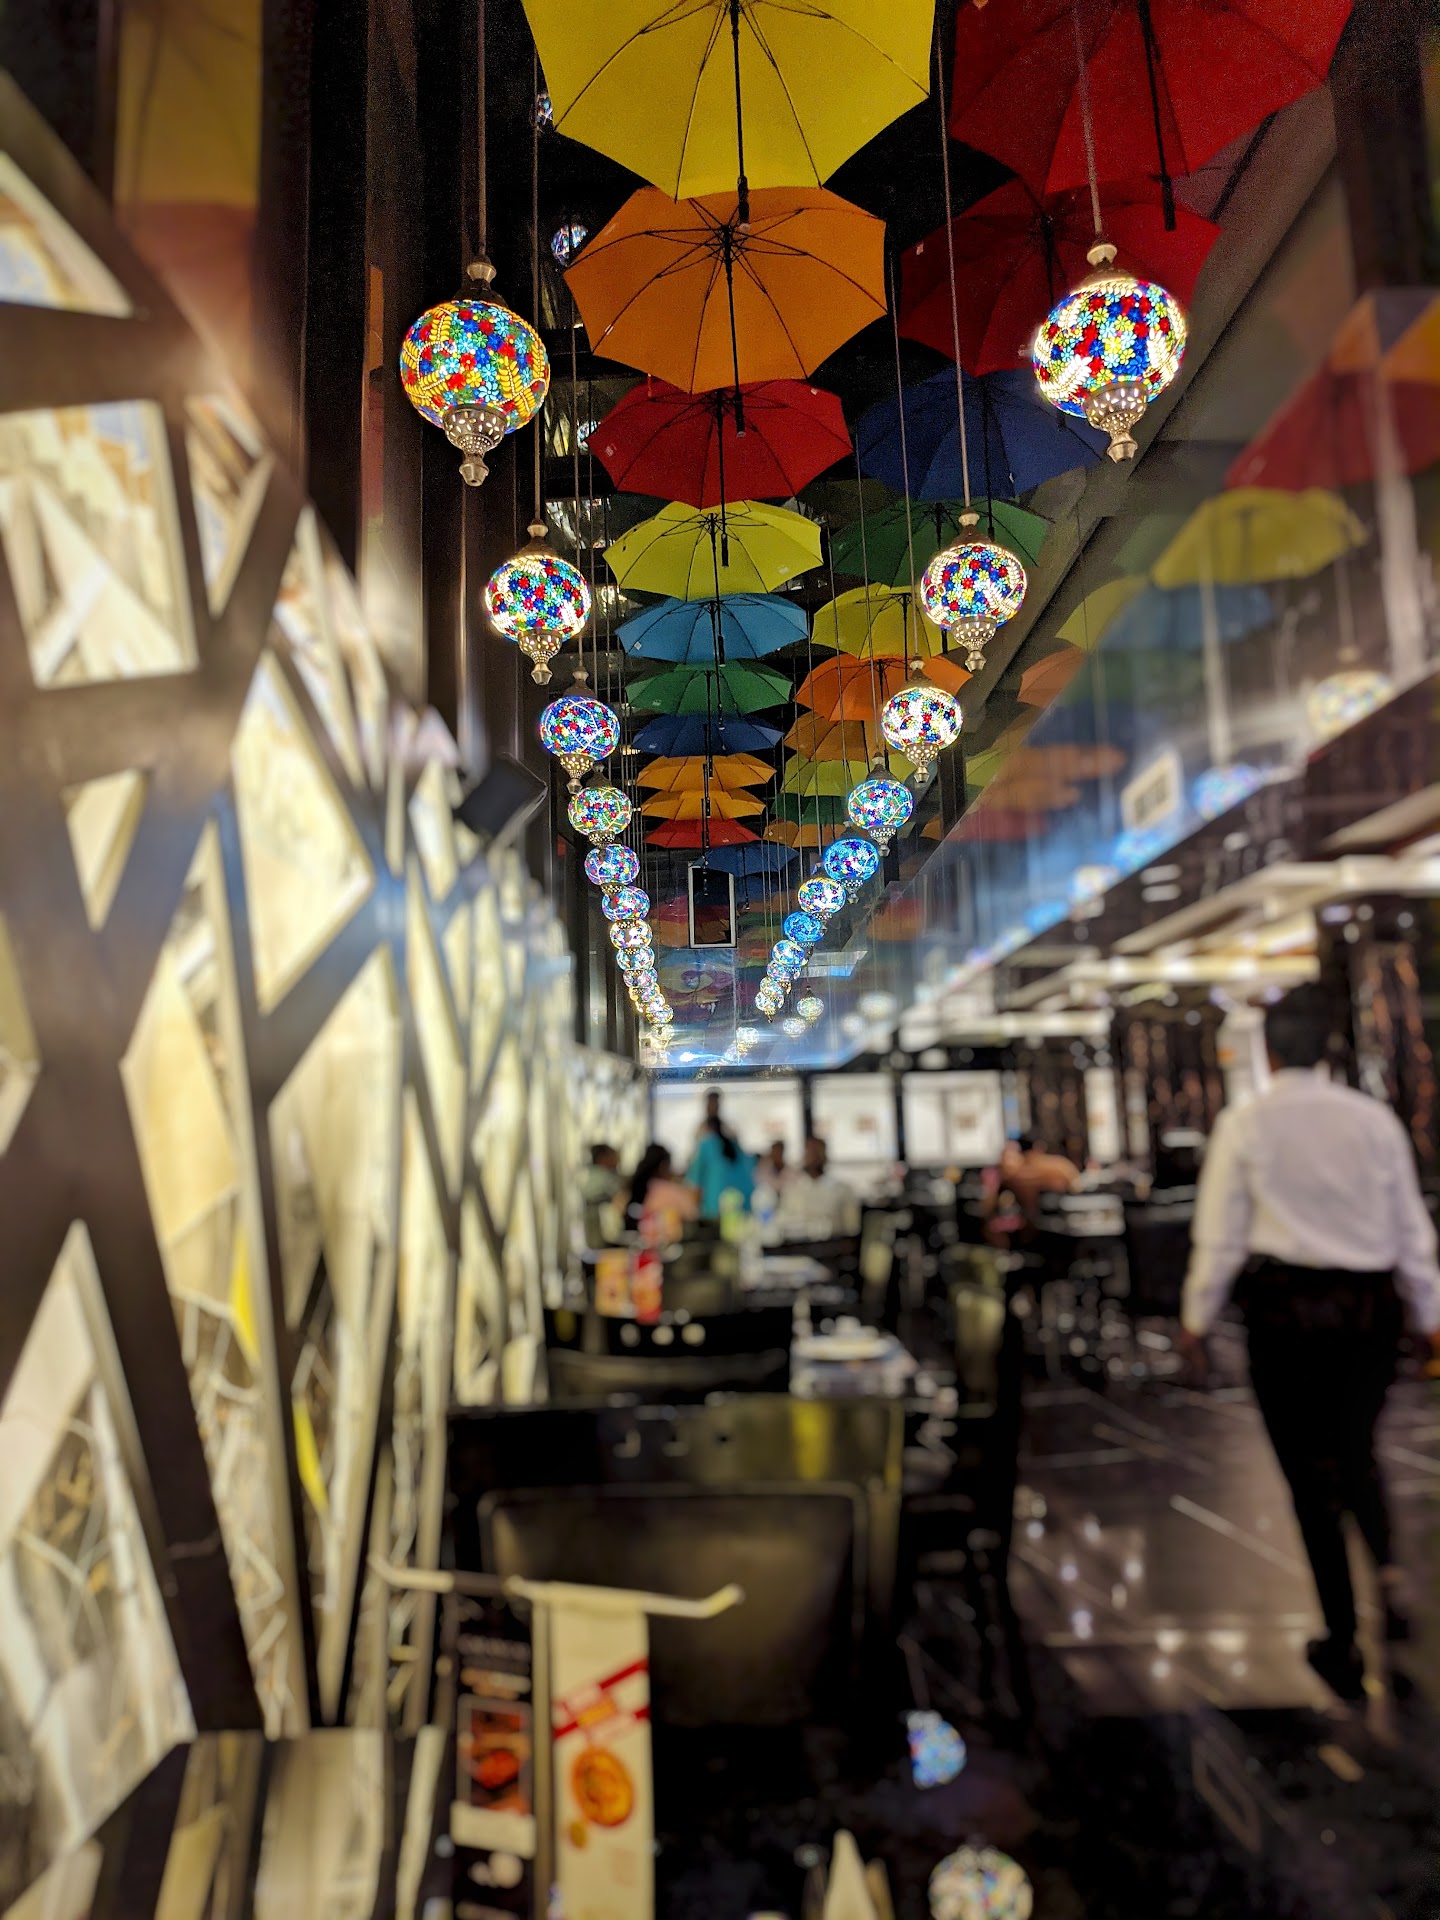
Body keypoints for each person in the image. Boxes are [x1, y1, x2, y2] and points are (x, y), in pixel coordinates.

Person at [1179, 981, 1440, 1699]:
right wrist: (1429, 1315)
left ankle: (1340, 1631)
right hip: (1370, 1309)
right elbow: (1411, 1228)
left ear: (1266, 1052)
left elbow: (1221, 1235)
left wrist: (1195, 1319)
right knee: (1358, 1446)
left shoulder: (1246, 1124)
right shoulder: (1373, 1121)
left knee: (1307, 1471)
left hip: (1286, 1312)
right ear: (1328, 1048)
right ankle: (1388, 1570)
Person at [774, 1134, 859, 1242]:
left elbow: (852, 1230)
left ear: (824, 1156)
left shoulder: (842, 1191)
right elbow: (782, 1224)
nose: (811, 1156)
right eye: (808, 1152)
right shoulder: (791, 1191)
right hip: (797, 1248)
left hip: (833, 1248)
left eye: (816, 1152)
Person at [686, 1113, 754, 1220]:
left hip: (716, 1209)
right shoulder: (734, 1146)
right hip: (743, 1205)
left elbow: (693, 1182)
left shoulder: (706, 1145)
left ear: (707, 1129)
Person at [623, 1143, 695, 1242]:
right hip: (665, 1243)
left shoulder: (633, 1187)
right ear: (663, 1166)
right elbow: (691, 1214)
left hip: (634, 1240)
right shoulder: (669, 1190)